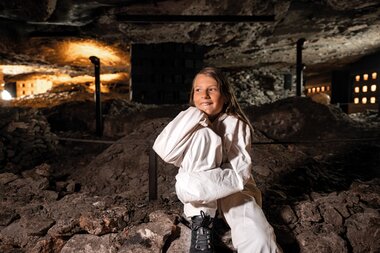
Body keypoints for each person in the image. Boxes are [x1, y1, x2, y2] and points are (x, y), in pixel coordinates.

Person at [153, 67, 282, 253]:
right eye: (198, 90)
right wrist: (196, 116)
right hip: (202, 203)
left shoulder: (237, 124)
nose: (204, 95)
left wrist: (191, 185)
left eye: (211, 89)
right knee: (204, 136)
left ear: (225, 95)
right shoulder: (191, 121)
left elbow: (240, 175)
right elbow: (165, 151)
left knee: (260, 238)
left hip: (235, 190)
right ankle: (201, 224)